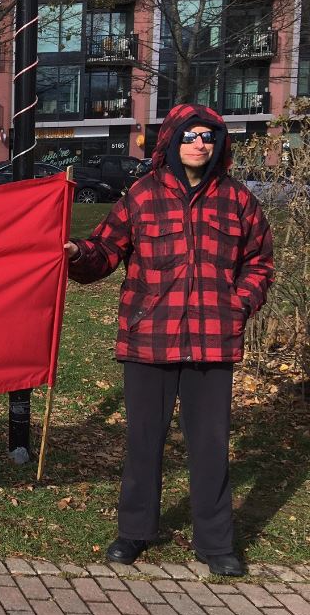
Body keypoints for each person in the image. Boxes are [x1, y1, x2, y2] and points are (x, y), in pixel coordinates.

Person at [64, 104, 273, 577]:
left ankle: (216, 542)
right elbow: (105, 252)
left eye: (209, 136)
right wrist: (78, 253)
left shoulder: (238, 200)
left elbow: (260, 261)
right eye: (190, 135)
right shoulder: (141, 196)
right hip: (149, 340)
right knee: (142, 442)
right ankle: (135, 532)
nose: (201, 144)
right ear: (172, 142)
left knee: (210, 444)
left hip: (213, 341)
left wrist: (238, 303)